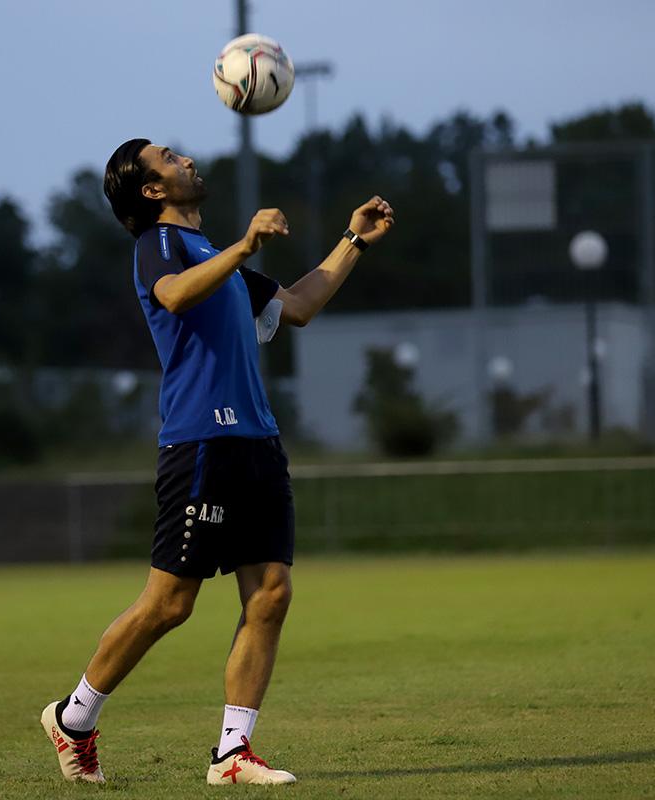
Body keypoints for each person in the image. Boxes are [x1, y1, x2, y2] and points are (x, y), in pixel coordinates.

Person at [40, 138, 394, 786]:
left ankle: (232, 754)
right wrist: (245, 247)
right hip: (201, 443)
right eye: (167, 158)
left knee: (272, 595)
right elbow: (174, 296)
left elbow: (302, 306)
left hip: (258, 440)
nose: (183, 159)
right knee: (170, 604)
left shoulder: (225, 263)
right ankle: (74, 717)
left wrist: (355, 239)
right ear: (151, 190)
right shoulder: (160, 245)